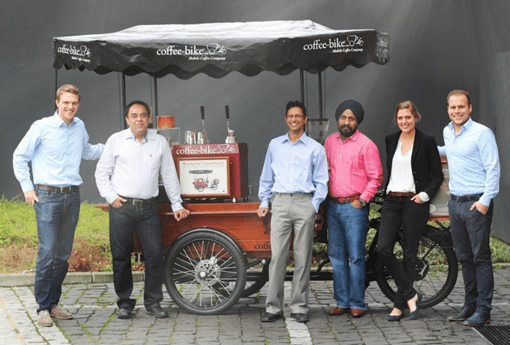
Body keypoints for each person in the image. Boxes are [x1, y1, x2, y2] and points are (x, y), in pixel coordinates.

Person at [12, 84, 104, 327]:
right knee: (47, 252)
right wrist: (27, 188)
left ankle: (53, 303)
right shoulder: (41, 127)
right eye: (66, 102)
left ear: (78, 104)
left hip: (71, 197)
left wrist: (114, 147)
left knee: (62, 255)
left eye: (74, 103)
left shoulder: (80, 126)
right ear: (57, 102)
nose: (70, 107)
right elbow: (20, 156)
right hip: (47, 197)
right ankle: (42, 307)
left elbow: (88, 151)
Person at [95, 100, 190, 320]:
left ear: (149, 118)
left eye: (143, 115)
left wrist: (177, 203)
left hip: (148, 209)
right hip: (122, 207)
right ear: (127, 119)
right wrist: (111, 198)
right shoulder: (115, 140)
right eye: (134, 115)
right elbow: (101, 173)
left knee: (155, 255)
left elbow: (169, 174)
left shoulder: (159, 142)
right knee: (120, 257)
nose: (139, 119)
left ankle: (153, 301)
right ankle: (125, 303)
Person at [257, 100, 329, 323]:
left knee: (302, 257)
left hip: (303, 202)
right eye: (291, 116)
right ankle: (273, 307)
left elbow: (322, 181)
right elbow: (266, 176)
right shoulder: (275, 145)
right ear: (286, 119)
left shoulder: (315, 149)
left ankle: (299, 306)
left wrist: (313, 205)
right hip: (280, 202)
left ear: (305, 119)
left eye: (299, 116)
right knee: (277, 257)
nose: (294, 119)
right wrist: (264, 201)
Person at [377, 101, 443, 321]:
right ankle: (411, 294)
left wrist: (423, 196)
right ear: (396, 120)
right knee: (383, 249)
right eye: (400, 118)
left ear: (415, 117)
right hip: (392, 201)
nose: (404, 122)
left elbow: (437, 175)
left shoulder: (427, 141)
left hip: (414, 202)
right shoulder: (391, 140)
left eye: (408, 117)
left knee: (409, 254)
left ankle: (399, 305)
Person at [439, 90, 500, 327]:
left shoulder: (482, 133)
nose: (457, 111)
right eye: (453, 107)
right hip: (455, 204)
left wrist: (484, 201)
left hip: (476, 204)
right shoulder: (448, 132)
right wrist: (421, 148)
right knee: (464, 258)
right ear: (448, 109)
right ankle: (470, 305)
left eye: (461, 107)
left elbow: (493, 169)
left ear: (470, 108)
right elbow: (448, 151)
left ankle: (483, 310)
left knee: (480, 257)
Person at [324, 99, 383, 318]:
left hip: (354, 207)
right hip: (333, 207)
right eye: (343, 117)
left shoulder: (366, 145)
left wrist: (363, 200)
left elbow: (376, 177)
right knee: (336, 256)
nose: (346, 121)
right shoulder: (329, 142)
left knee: (356, 257)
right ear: (338, 119)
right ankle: (342, 301)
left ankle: (358, 302)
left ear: (357, 121)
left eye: (351, 118)